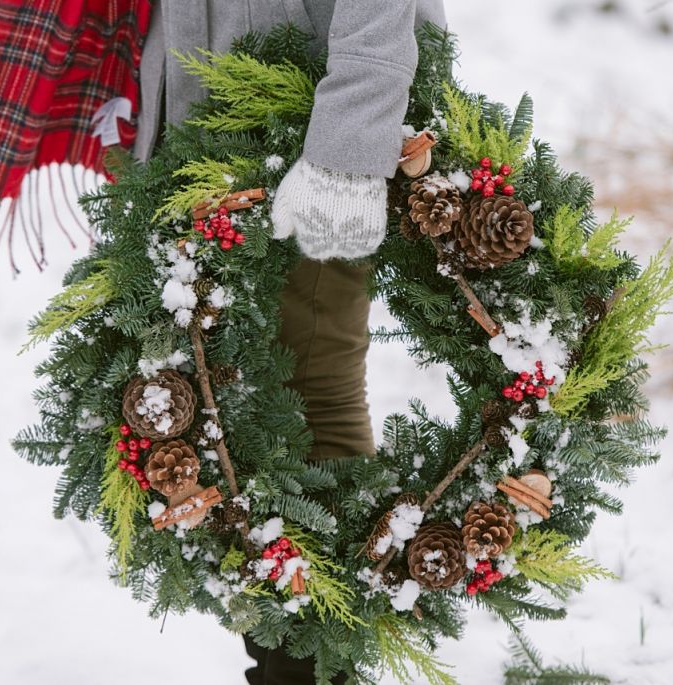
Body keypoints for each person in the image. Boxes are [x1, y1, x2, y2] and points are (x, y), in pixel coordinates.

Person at [136, 2, 446, 684]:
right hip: (203, 104)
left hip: (312, 108)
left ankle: (313, 668)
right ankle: (280, 654)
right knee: (233, 406)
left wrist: (348, 138)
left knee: (316, 388)